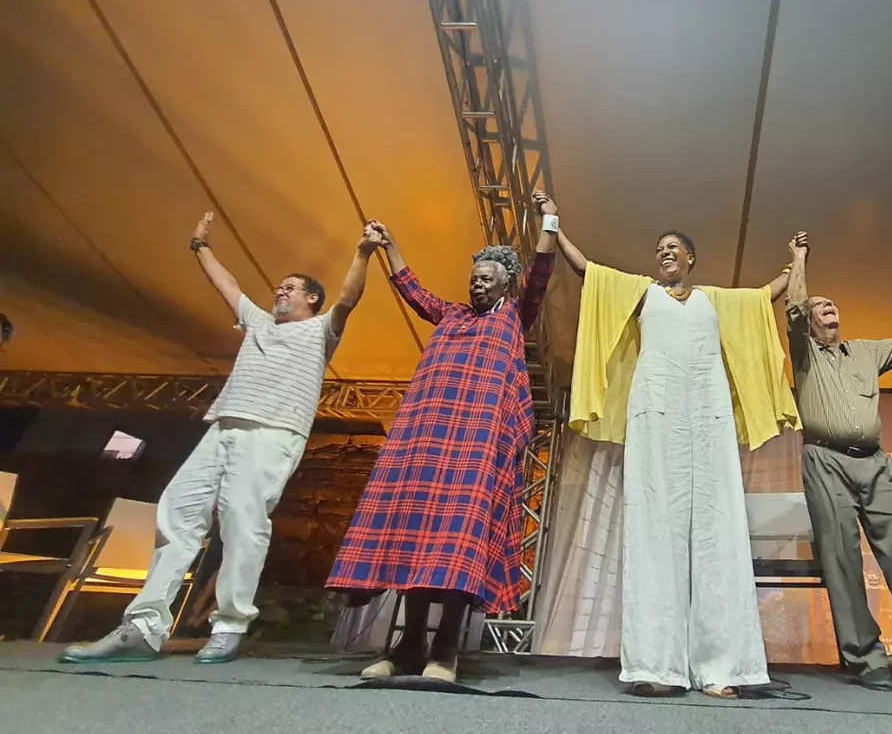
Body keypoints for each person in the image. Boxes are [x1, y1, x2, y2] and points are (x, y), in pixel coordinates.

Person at [60, 213, 379, 665]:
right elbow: (227, 285)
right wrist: (200, 246)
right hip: (223, 426)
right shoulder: (258, 321)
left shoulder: (321, 330)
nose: (280, 291)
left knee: (242, 522)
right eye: (278, 286)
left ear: (311, 298)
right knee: (177, 511)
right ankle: (142, 627)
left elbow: (349, 298)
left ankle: (229, 626)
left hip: (272, 432)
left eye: (291, 287)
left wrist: (362, 252)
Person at [556, 202, 801, 698]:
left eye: (673, 249)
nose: (665, 254)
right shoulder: (643, 293)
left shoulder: (715, 300)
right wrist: (554, 227)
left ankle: (722, 669)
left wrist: (797, 260)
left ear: (690, 258)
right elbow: (588, 272)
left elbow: (766, 298)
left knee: (718, 534)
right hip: (658, 418)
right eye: (659, 250)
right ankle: (656, 666)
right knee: (653, 533)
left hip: (708, 420)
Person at [327, 194, 557, 682]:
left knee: (458, 545)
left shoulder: (514, 316)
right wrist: (389, 246)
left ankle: (445, 650)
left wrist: (548, 219)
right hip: (427, 440)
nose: (477, 281)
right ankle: (408, 647)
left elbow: (540, 270)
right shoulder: (450, 315)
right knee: (416, 540)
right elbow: (411, 289)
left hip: (477, 447)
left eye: (488, 276)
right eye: (474, 275)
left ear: (504, 283)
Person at [786, 232, 892, 691]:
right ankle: (865, 660)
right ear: (808, 318)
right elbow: (794, 306)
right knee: (841, 558)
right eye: (819, 304)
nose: (827, 307)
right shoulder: (805, 356)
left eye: (832, 303)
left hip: (875, 463)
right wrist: (799, 259)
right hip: (825, 462)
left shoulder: (864, 352)